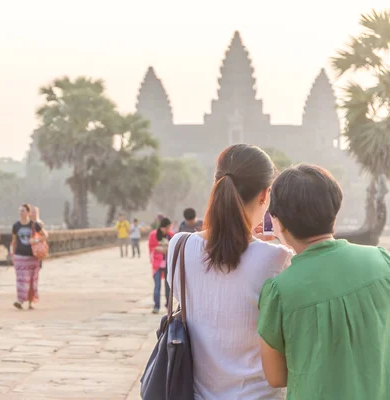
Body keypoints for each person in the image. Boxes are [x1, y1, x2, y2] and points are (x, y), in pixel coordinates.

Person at [166, 144, 293, 399]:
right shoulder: (276, 258)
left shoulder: (178, 246)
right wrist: (280, 241)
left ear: (217, 184)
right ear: (265, 195)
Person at [258, 164, 390, 398]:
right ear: (334, 209)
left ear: (278, 222)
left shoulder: (279, 290)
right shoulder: (382, 260)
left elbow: (276, 377)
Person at [10, 204, 47, 310]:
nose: (21, 213)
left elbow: (45, 236)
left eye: (23, 211)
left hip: (32, 256)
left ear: (28, 212)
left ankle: (31, 302)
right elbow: (14, 241)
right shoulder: (16, 226)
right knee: (21, 280)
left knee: (31, 281)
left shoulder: (34, 225)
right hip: (19, 256)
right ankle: (20, 300)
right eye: (20, 211)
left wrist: (35, 240)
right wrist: (12, 254)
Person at [148, 217, 174, 314]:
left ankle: (169, 305)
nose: (169, 229)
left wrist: (167, 248)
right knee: (157, 286)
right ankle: (156, 306)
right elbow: (151, 247)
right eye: (168, 227)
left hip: (168, 263)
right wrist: (159, 249)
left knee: (168, 286)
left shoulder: (171, 235)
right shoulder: (153, 235)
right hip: (157, 264)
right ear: (165, 227)